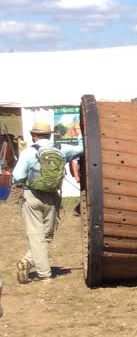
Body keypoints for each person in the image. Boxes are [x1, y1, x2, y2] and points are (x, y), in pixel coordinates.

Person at [12, 119, 83, 284]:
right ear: (49, 134)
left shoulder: (29, 152)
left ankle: (42, 272)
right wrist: (79, 134)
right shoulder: (61, 149)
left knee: (37, 236)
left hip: (32, 195)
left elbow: (17, 176)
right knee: (47, 234)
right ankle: (29, 262)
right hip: (52, 197)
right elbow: (82, 149)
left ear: (34, 135)